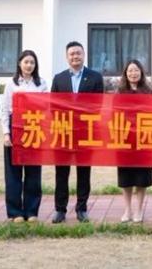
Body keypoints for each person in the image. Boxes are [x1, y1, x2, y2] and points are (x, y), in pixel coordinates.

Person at [50, 41, 104, 223]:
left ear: (84, 55)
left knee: (84, 172)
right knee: (61, 173)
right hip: (63, 132)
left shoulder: (95, 77)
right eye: (72, 54)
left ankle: (82, 208)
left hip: (85, 132)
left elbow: (98, 105)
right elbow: (53, 106)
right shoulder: (59, 79)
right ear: (67, 57)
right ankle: (60, 209)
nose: (75, 57)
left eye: (78, 53)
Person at [0, 50, 48, 223]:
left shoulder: (41, 84)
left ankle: (31, 211)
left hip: (34, 129)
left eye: (32, 62)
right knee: (13, 173)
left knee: (33, 173)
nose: (29, 65)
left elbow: (46, 108)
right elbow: (5, 110)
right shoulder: (11, 84)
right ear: (19, 63)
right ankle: (15, 212)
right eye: (26, 62)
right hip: (15, 129)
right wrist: (6, 134)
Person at [116, 59, 152, 223]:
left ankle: (139, 209)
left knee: (141, 178)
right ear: (126, 73)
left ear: (141, 72)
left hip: (144, 139)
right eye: (130, 70)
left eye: (136, 70)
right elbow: (114, 114)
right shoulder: (120, 92)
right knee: (125, 178)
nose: (133, 73)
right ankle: (127, 210)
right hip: (124, 140)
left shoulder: (148, 92)